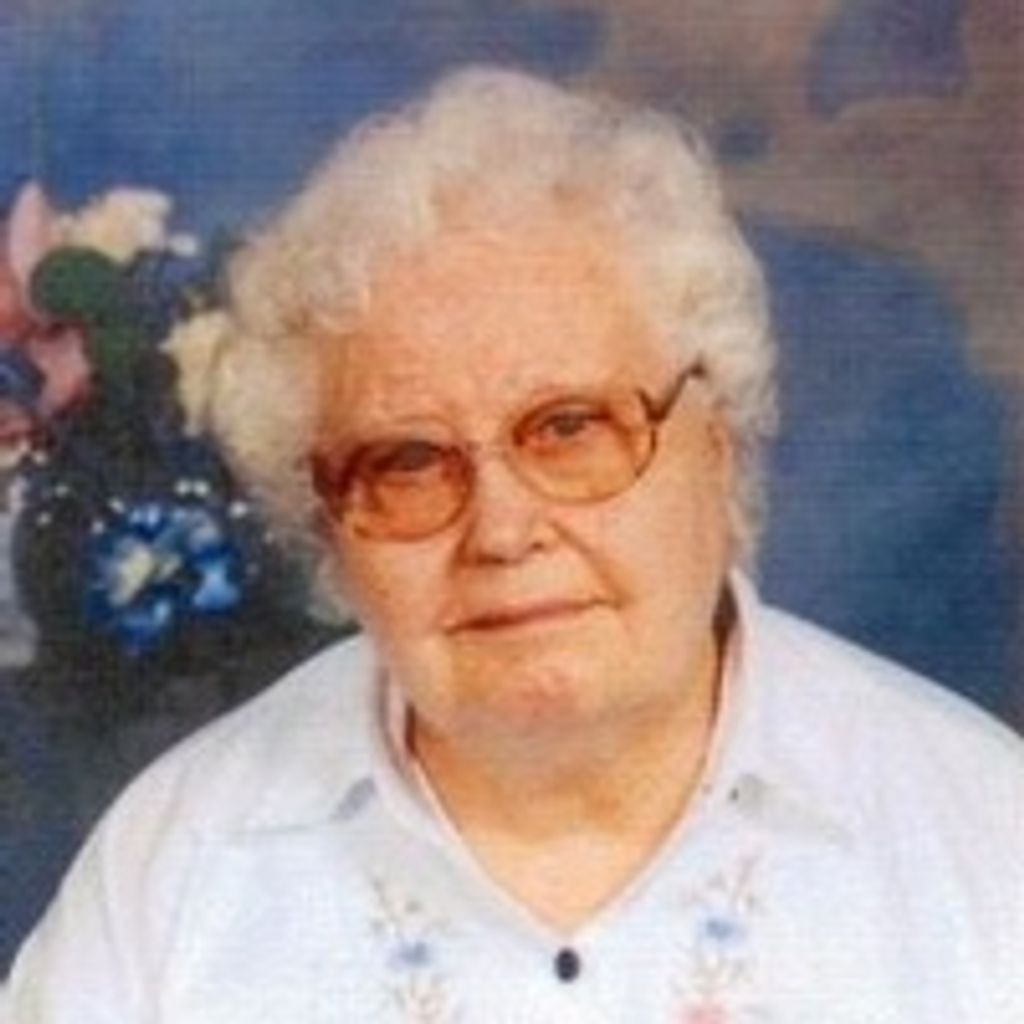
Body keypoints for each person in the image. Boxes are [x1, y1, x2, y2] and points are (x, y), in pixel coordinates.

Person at [5, 66, 1022, 1022]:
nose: (500, 530)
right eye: (409, 461)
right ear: (327, 528)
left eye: (571, 427)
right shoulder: (172, 869)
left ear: (715, 444)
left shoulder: (984, 839)